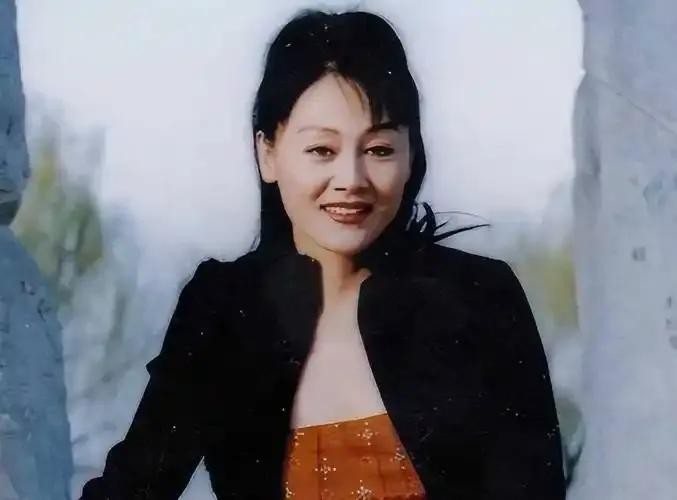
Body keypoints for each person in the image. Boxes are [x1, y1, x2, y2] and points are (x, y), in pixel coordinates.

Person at [80, 8, 565, 500]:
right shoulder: (224, 309)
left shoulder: (480, 298)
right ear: (268, 153)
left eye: (379, 149)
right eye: (321, 151)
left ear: (411, 154)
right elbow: (132, 488)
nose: (351, 180)